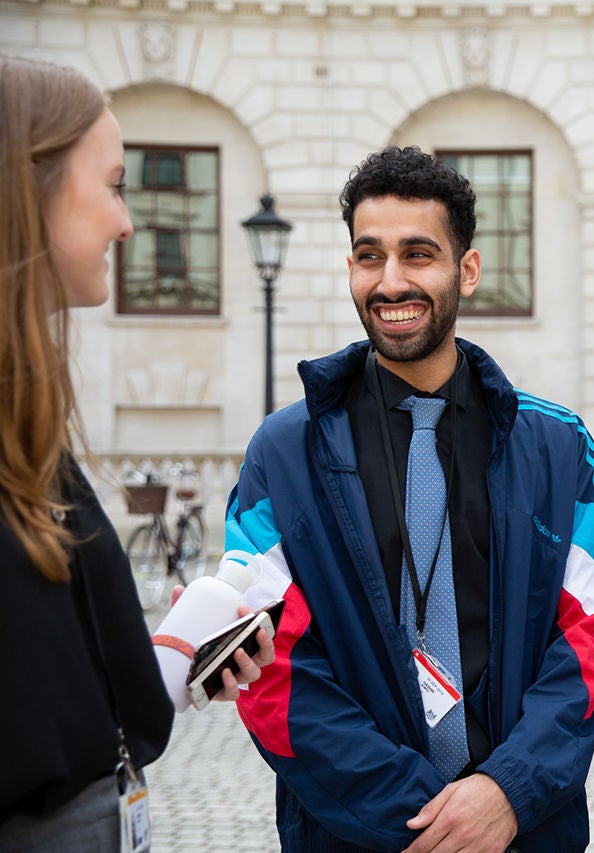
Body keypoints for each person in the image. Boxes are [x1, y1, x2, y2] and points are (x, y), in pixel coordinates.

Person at [227, 146, 594, 853]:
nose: (391, 281)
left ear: (466, 270)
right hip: (357, 836)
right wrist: (425, 822)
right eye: (369, 255)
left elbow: (589, 638)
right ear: (349, 267)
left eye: (418, 254)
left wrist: (507, 792)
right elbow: (270, 670)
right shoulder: (281, 452)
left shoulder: (559, 447)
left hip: (526, 830)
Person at [0, 55, 272, 850]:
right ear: (31, 186)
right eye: (114, 183)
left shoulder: (30, 421)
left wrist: (173, 657)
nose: (127, 222)